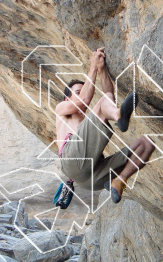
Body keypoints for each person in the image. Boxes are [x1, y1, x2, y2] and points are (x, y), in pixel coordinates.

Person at [55, 47, 155, 203]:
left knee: (147, 144)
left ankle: (120, 180)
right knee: (103, 105)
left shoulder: (86, 124)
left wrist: (102, 70)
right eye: (77, 92)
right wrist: (93, 67)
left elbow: (109, 98)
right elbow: (85, 101)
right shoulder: (61, 110)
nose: (82, 94)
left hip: (90, 180)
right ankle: (118, 116)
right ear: (67, 98)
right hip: (70, 160)